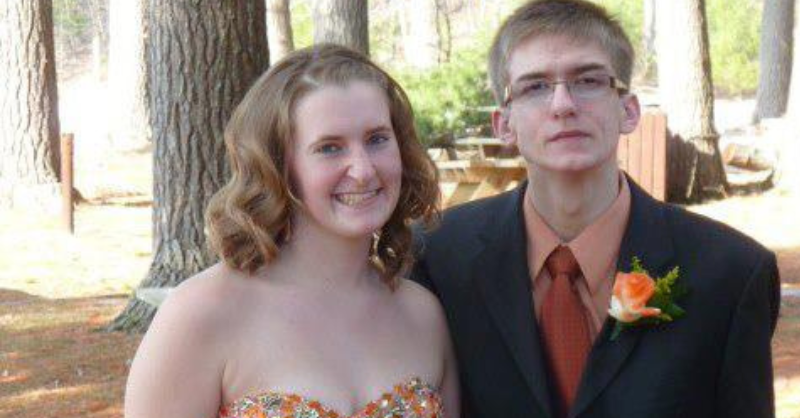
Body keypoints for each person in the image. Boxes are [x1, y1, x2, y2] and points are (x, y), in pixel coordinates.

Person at [412, 1, 780, 417]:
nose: (563, 104)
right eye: (535, 86)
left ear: (629, 110)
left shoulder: (730, 272)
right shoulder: (438, 257)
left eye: (588, 80)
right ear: (504, 125)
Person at [125, 44, 459, 418]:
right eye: (329, 148)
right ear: (278, 166)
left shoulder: (421, 314)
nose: (363, 170)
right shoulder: (201, 313)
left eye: (377, 139)